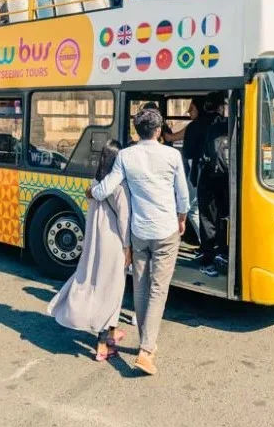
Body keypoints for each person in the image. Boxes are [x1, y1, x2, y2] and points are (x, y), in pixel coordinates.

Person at [87, 108, 189, 376]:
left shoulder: (126, 155)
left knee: (141, 288)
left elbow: (106, 187)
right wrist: (182, 217)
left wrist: (92, 191)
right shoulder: (172, 155)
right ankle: (146, 350)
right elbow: (182, 193)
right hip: (166, 230)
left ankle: (146, 342)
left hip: (139, 232)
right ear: (158, 130)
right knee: (158, 290)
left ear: (136, 131)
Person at [48, 140, 131, 362]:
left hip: (96, 243)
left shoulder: (95, 184)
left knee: (95, 284)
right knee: (111, 290)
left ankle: (111, 331)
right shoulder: (119, 187)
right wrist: (129, 246)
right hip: (114, 244)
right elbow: (124, 220)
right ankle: (103, 345)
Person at [163, 96, 214, 247]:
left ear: (199, 108)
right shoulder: (214, 122)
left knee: (192, 209)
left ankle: (206, 244)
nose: (187, 111)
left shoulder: (194, 126)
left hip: (197, 175)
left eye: (191, 108)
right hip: (213, 175)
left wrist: (163, 126)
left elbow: (169, 137)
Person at [196, 93, 229, 276]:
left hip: (209, 179)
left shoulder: (205, 126)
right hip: (226, 181)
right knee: (223, 218)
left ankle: (208, 259)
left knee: (208, 219)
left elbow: (192, 151)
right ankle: (221, 253)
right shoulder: (235, 125)